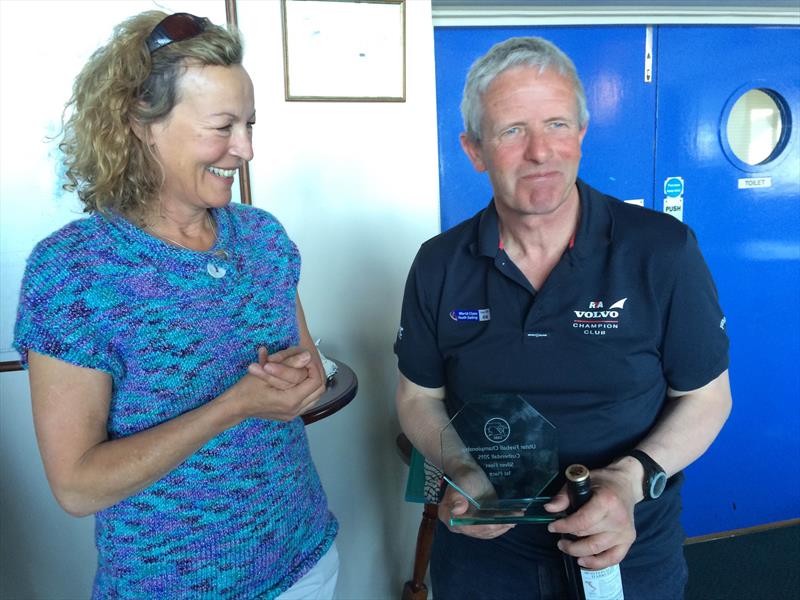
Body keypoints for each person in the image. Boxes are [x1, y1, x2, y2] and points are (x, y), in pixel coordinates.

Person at [14, 11, 339, 599]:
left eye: (250, 124)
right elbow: (77, 487)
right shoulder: (73, 272)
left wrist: (302, 383)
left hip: (305, 557)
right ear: (142, 124)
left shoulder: (264, 238)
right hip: (174, 586)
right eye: (223, 126)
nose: (245, 149)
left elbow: (307, 373)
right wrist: (233, 406)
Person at [394, 36, 731, 600]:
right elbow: (416, 398)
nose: (540, 152)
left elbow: (707, 397)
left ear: (581, 136)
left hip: (627, 543)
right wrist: (462, 467)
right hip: (486, 555)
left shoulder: (662, 250)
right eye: (511, 131)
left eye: (556, 125)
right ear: (474, 150)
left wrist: (628, 481)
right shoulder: (438, 264)